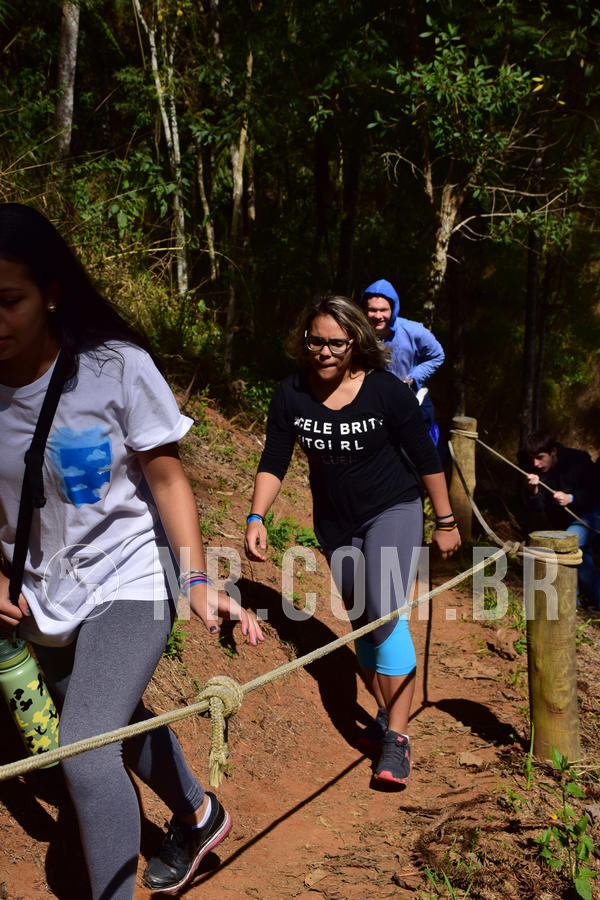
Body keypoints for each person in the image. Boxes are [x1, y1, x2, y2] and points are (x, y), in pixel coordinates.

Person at [0, 203, 264, 899]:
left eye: (9, 300)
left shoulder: (115, 370)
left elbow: (168, 477)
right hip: (41, 592)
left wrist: (198, 576)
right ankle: (201, 814)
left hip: (131, 574)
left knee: (85, 753)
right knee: (108, 718)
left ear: (51, 291)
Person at [244, 295, 460, 789]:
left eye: (335, 343)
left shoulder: (386, 392)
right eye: (315, 340)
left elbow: (427, 459)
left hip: (394, 508)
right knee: (361, 620)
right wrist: (257, 515)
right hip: (337, 522)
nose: (324, 351)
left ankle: (398, 739)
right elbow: (274, 459)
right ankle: (387, 712)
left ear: (355, 342)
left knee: (384, 609)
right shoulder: (292, 394)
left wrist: (445, 520)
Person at [522, 430, 600, 609]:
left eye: (540, 457)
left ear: (554, 452)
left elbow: (596, 492)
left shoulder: (579, 461)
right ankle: (586, 603)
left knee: (564, 547)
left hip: (592, 515)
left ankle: (569, 604)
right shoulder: (534, 469)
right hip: (566, 523)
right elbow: (537, 507)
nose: (536, 463)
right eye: (533, 458)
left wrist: (571, 498)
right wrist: (532, 490)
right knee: (583, 562)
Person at [361, 278, 444, 443]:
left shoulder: (413, 331)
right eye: (372, 310)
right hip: (374, 406)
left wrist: (414, 378)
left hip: (412, 402)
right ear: (364, 309)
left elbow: (437, 355)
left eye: (384, 310)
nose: (378, 316)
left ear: (393, 308)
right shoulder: (359, 334)